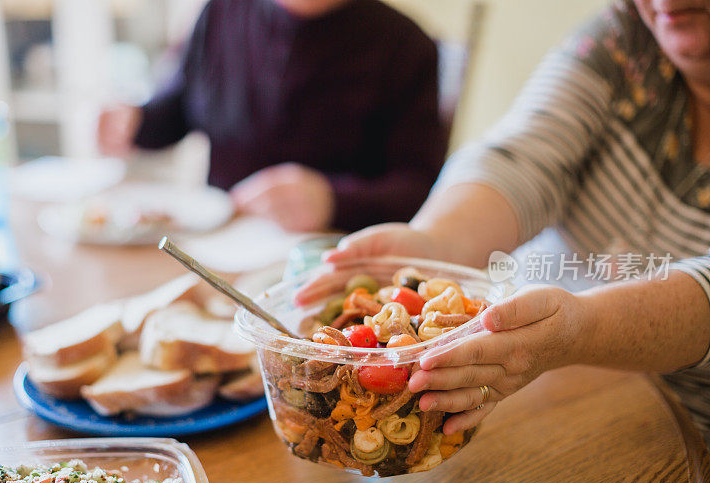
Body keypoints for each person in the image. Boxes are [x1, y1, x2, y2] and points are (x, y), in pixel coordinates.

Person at [299, 0, 710, 442]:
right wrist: (437, 242)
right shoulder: (624, 38)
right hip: (542, 393)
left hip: (685, 434)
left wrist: (580, 328)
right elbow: (524, 157)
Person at [97, 0, 446, 233]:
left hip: (332, 265)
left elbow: (419, 188)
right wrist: (135, 122)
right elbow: (180, 106)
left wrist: (333, 201)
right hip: (216, 249)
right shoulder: (223, 10)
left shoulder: (405, 45)